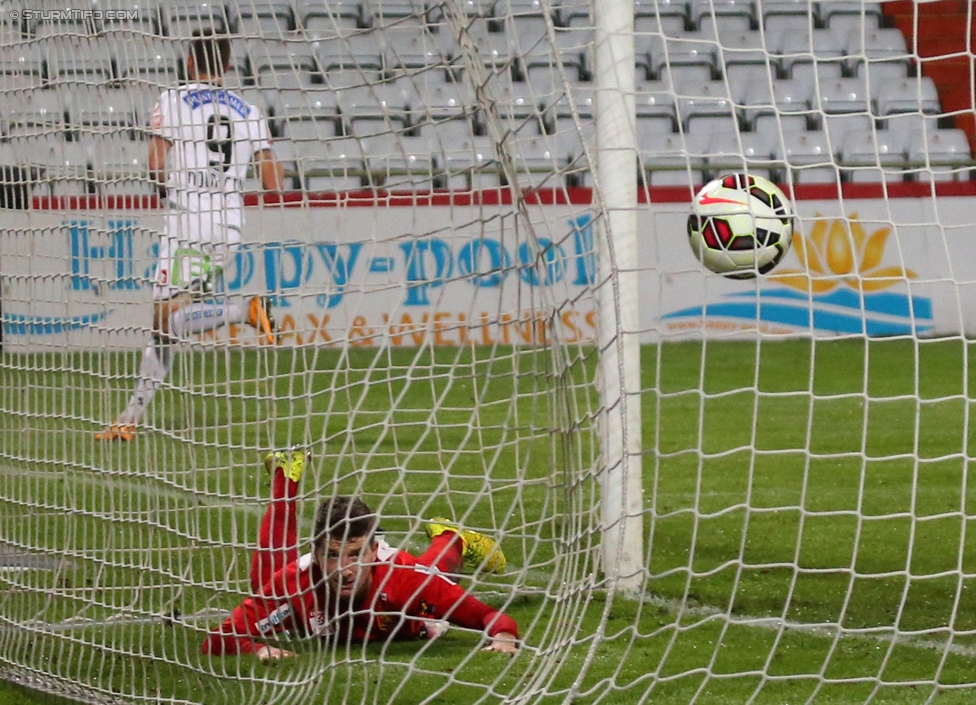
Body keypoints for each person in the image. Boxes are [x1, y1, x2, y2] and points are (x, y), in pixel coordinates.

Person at [97, 29, 284, 441]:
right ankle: (129, 418)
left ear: (188, 61)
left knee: (166, 320)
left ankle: (246, 311)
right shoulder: (250, 111)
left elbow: (154, 166)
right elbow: (273, 182)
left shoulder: (172, 100)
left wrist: (172, 190)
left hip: (188, 223)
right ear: (229, 65)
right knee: (167, 324)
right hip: (229, 227)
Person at [201, 451, 519, 660]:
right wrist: (258, 650)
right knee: (265, 586)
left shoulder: (403, 577)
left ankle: (451, 536)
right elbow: (216, 641)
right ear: (314, 552)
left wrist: (504, 636)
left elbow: (487, 616)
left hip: (411, 602)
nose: (344, 569)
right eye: (333, 555)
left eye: (355, 555)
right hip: (316, 603)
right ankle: (286, 473)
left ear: (373, 549)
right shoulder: (297, 582)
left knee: (436, 572)